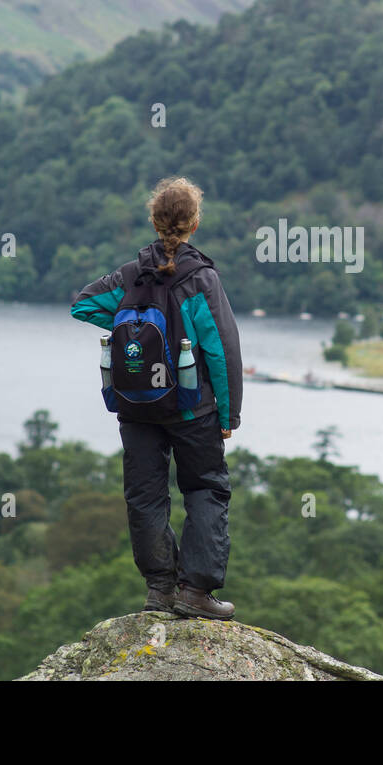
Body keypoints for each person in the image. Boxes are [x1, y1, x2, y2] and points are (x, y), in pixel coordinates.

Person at [70, 177, 243, 620]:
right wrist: (230, 413)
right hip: (191, 407)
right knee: (205, 488)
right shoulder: (200, 279)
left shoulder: (131, 274)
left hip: (137, 406)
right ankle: (195, 591)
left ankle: (160, 589)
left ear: (154, 220)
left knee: (145, 496)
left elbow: (83, 305)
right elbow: (222, 351)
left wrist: (138, 323)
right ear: (195, 224)